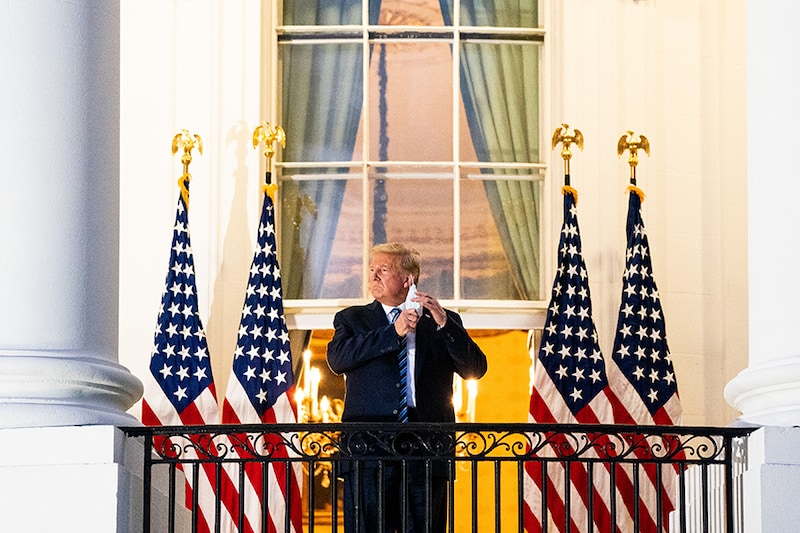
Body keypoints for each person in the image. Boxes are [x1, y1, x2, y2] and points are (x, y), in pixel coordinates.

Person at [327, 242, 488, 533]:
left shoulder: (443, 321)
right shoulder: (352, 319)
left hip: (427, 448)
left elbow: (475, 368)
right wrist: (393, 332)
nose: (373, 276)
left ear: (407, 279)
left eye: (383, 270)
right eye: (372, 269)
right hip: (369, 449)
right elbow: (338, 360)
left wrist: (444, 324)